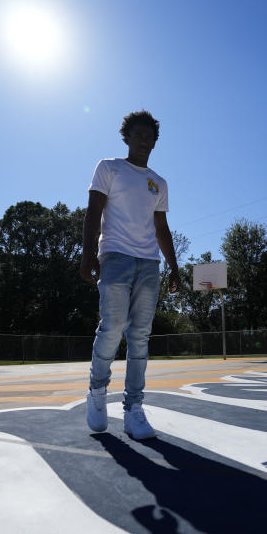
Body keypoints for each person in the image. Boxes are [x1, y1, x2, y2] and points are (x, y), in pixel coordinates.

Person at [79, 110, 181, 439]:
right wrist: (88, 254)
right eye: (138, 135)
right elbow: (94, 211)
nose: (144, 141)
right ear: (126, 137)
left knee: (140, 337)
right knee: (112, 328)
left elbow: (161, 228)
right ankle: (96, 394)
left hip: (149, 263)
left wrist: (175, 268)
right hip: (116, 258)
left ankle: (134, 408)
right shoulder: (109, 168)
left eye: (150, 137)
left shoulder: (159, 183)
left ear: (155, 142)